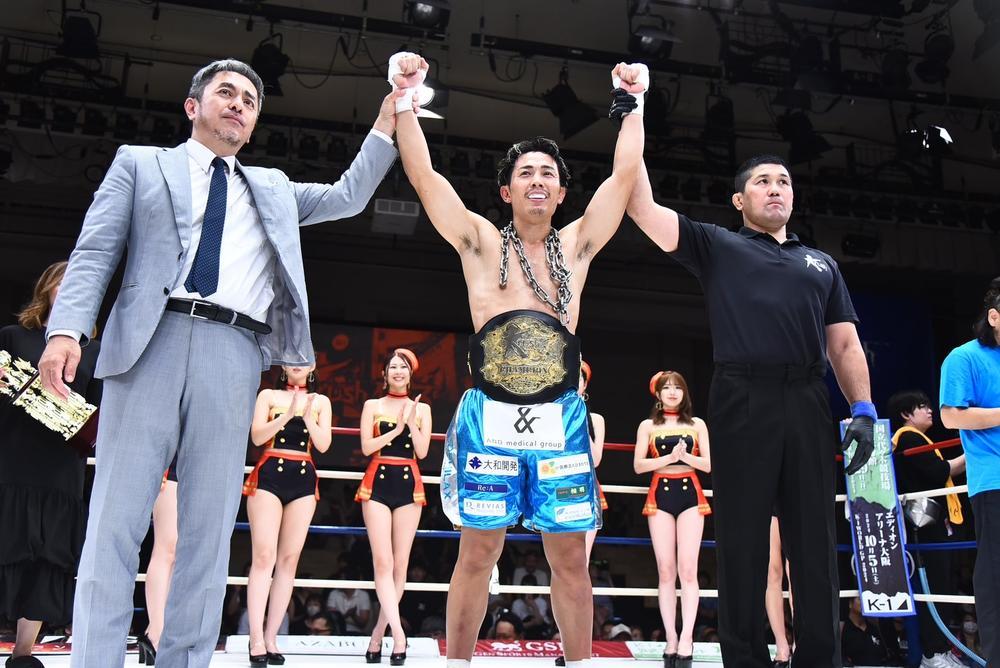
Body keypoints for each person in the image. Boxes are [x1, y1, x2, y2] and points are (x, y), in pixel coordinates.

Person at [38, 57, 398, 668]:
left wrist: (389, 117)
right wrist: (66, 329)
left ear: (253, 124)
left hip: (233, 351)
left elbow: (348, 196)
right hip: (148, 343)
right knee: (114, 520)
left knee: (207, 531)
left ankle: (183, 661)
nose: (238, 105)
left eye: (250, 101)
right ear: (193, 106)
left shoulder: (274, 188)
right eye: (225, 93)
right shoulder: (140, 164)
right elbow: (95, 250)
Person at [391, 50, 647, 668]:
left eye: (547, 173)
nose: (537, 179)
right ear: (506, 190)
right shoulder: (480, 242)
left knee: (570, 558)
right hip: (491, 415)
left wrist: (633, 103)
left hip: (560, 416)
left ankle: (580, 662)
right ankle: (457, 663)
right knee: (477, 554)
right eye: (526, 172)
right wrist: (403, 98)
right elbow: (424, 177)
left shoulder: (577, 246)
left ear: (561, 192)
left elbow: (623, 177)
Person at [626, 154, 876, 668]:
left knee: (814, 540)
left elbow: (845, 344)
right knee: (742, 539)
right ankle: (744, 660)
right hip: (741, 395)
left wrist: (864, 409)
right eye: (763, 181)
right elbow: (643, 207)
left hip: (807, 397)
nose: (776, 188)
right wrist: (634, 121)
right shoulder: (719, 244)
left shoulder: (821, 263)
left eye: (784, 180)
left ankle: (819, 660)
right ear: (739, 200)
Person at [0, 261, 101, 668]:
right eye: (64, 284)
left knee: (48, 560)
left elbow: (98, 414)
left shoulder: (95, 352)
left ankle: (23, 655)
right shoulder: (13, 337)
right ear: (46, 289)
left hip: (61, 472)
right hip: (11, 464)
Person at [243, 363, 332, 665]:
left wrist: (305, 414)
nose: (297, 364)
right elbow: (257, 437)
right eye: (292, 358)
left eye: (304, 359)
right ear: (283, 365)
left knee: (289, 560)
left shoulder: (320, 401)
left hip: (304, 476)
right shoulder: (268, 395)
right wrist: (286, 414)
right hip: (269, 472)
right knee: (263, 557)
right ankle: (256, 637)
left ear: (312, 367)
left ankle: (271, 637)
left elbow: (324, 444)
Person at [355, 348, 431, 666]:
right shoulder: (372, 406)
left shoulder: (422, 408)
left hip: (408, 482)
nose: (398, 371)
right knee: (383, 562)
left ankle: (378, 634)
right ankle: (399, 635)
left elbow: (423, 452)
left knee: (401, 565)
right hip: (378, 480)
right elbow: (366, 447)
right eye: (393, 367)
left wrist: (411, 423)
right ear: (384, 374)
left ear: (411, 374)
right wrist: (396, 430)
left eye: (403, 367)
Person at [940, 276, 1000, 665]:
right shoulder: (964, 357)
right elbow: (950, 416)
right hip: (994, 480)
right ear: (994, 316)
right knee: (995, 574)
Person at [633, 371, 711, 668]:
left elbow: (708, 464)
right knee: (665, 571)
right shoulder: (648, 425)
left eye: (678, 387)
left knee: (688, 570)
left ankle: (688, 639)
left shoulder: (697, 424)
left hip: (690, 491)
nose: (673, 392)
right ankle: (671, 638)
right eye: (667, 388)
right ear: (657, 394)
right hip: (660, 493)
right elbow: (639, 465)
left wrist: (685, 457)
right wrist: (669, 458)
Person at [888, 389, 966, 668]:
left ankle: (941, 649)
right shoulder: (907, 437)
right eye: (922, 406)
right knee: (934, 587)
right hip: (923, 526)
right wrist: (974, 450)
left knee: (942, 586)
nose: (930, 410)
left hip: (931, 524)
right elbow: (938, 472)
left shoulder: (919, 438)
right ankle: (932, 654)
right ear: (906, 414)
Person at [137, 455, 179, 665]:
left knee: (176, 551)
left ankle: (157, 630)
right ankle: (156, 631)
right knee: (166, 547)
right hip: (171, 463)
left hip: (194, 463)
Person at [580, 361, 607, 562]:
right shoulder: (549, 414)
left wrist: (579, 421)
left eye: (578, 378)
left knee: (583, 558)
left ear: (585, 384)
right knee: (558, 556)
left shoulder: (595, 419)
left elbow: (596, 460)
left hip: (585, 486)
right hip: (553, 485)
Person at [764, 517, 791, 668]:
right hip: (769, 506)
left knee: (795, 572)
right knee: (772, 571)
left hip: (797, 504)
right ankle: (781, 646)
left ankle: (800, 643)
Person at [841, 596, 896, 666]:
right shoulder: (842, 629)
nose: (864, 602)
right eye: (860, 599)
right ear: (850, 603)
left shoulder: (875, 629)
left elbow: (885, 655)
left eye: (865, 599)